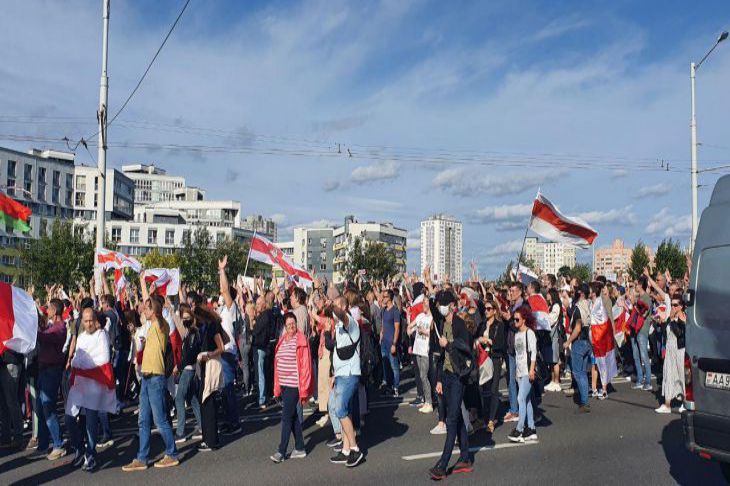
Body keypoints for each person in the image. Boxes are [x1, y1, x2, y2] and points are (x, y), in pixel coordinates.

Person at [122, 295, 179, 472]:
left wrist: (155, 301)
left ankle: (172, 453)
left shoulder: (162, 325)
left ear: (154, 311)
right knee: (143, 420)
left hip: (156, 377)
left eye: (147, 309)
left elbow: (160, 316)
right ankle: (142, 457)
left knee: (159, 419)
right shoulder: (149, 327)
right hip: (146, 379)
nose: (143, 311)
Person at [65, 308, 118, 472]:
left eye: (90, 320)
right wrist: (79, 361)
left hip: (95, 383)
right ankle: (80, 448)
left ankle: (91, 453)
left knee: (90, 420)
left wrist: (82, 361)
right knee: (68, 418)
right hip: (80, 383)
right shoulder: (81, 337)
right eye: (85, 320)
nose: (88, 324)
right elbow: (77, 359)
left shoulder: (101, 335)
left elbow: (102, 358)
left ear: (95, 320)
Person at [429, 291, 474, 481]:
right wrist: (439, 379)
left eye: (443, 304)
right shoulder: (441, 323)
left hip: (458, 376)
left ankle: (443, 464)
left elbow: (466, 347)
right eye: (440, 304)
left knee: (452, 419)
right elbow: (440, 357)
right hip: (446, 375)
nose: (441, 306)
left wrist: (449, 344)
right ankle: (465, 457)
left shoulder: (459, 324)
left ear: (452, 306)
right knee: (456, 417)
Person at [270, 312, 313, 463]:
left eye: (293, 323)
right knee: (293, 416)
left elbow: (306, 366)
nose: (291, 327)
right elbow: (277, 363)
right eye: (288, 325)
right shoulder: (282, 340)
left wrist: (305, 387)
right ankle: (300, 447)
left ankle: (281, 451)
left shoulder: (301, 340)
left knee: (286, 417)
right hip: (283, 383)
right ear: (285, 326)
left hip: (294, 384)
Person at [328, 297, 365, 468]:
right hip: (341, 374)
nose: (334, 308)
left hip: (350, 374)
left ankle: (355, 448)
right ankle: (346, 450)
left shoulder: (351, 323)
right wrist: (333, 374)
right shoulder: (338, 327)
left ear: (344, 306)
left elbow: (340, 314)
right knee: (345, 411)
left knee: (340, 409)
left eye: (336, 304)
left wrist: (332, 307)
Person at [32, 298, 68, 460]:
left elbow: (45, 337)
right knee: (40, 408)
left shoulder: (59, 328)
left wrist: (33, 331)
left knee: (48, 408)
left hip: (51, 372)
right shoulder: (52, 327)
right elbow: (44, 334)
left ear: (55, 310)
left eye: (49, 309)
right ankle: (44, 443)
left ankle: (58, 444)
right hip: (44, 371)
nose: (47, 311)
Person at [194, 304, 226, 451]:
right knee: (206, 401)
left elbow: (221, 347)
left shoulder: (212, 326)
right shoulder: (210, 326)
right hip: (208, 364)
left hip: (211, 364)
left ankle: (211, 440)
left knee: (207, 401)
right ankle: (209, 438)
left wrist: (209, 354)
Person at [216, 256, 242, 435]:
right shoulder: (223, 310)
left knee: (228, 390)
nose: (220, 294)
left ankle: (234, 423)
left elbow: (225, 290)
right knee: (223, 391)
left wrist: (222, 270)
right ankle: (227, 420)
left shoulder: (231, 308)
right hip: (221, 351)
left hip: (227, 352)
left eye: (224, 294)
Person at [171, 303, 203, 442]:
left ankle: (180, 432)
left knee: (179, 398)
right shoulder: (189, 332)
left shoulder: (194, 333)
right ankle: (203, 425)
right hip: (188, 368)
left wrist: (178, 366)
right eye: (183, 318)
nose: (184, 320)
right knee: (192, 399)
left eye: (187, 317)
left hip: (189, 369)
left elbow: (190, 355)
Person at [508, 306, 538, 443]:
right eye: (514, 318)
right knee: (527, 401)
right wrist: (517, 373)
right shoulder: (517, 334)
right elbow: (518, 355)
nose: (515, 321)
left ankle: (520, 429)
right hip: (520, 372)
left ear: (524, 320)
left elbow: (533, 353)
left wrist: (532, 370)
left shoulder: (529, 333)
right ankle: (531, 428)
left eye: (517, 319)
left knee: (521, 398)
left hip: (528, 371)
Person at [564, 284, 592, 412]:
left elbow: (578, 327)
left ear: (581, 293)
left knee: (578, 372)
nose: (574, 293)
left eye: (576, 291)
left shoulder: (579, 308)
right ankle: (584, 400)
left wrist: (568, 341)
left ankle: (584, 402)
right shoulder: (589, 305)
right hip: (587, 342)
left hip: (579, 342)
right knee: (583, 373)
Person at [656, 294, 686, 414]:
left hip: (680, 351)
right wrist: (666, 320)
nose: (673, 307)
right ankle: (667, 404)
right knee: (668, 375)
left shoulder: (684, 318)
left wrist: (673, 320)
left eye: (675, 305)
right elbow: (665, 332)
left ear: (681, 306)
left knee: (681, 376)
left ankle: (685, 401)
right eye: (672, 304)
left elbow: (679, 334)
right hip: (670, 350)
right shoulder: (671, 316)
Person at [479, 299, 506, 433]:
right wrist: (480, 339)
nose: (486, 311)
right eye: (485, 309)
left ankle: (491, 419)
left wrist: (490, 341)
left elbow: (501, 343)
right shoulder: (482, 324)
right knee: (484, 388)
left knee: (494, 389)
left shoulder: (499, 325)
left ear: (495, 311)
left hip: (494, 358)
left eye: (489, 309)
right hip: (483, 359)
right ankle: (484, 417)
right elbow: (476, 336)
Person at [408, 297, 433, 414]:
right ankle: (426, 400)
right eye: (423, 302)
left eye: (425, 302)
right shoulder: (420, 316)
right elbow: (411, 326)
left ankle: (429, 402)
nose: (423, 304)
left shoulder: (431, 318)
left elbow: (432, 333)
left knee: (424, 376)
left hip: (425, 350)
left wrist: (424, 331)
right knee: (421, 376)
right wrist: (410, 327)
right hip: (417, 349)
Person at [631, 276, 653, 391]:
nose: (635, 286)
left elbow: (643, 314)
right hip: (635, 329)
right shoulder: (639, 297)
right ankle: (640, 379)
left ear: (640, 285)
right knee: (636, 356)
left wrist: (635, 305)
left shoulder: (646, 298)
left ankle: (648, 381)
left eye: (637, 284)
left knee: (644, 356)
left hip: (642, 330)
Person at [252, 295, 274, 409]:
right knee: (263, 372)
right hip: (264, 347)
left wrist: (253, 323)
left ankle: (262, 398)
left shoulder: (264, 316)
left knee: (261, 374)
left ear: (264, 305)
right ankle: (265, 396)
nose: (256, 306)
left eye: (258, 304)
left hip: (261, 347)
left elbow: (256, 331)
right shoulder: (265, 315)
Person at [379, 289, 401, 397]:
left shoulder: (395, 311)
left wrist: (394, 344)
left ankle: (395, 388)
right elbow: (383, 325)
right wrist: (381, 336)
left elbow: (397, 329)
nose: (383, 298)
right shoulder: (383, 310)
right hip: (384, 343)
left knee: (394, 366)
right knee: (386, 366)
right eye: (383, 296)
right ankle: (388, 387)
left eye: (385, 296)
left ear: (390, 298)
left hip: (391, 342)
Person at [544, 289, 563, 392]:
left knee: (555, 360)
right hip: (550, 335)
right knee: (551, 360)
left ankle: (556, 382)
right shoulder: (550, 306)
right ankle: (552, 381)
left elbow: (552, 319)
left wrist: (545, 317)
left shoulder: (556, 306)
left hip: (554, 335)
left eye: (548, 294)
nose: (546, 295)